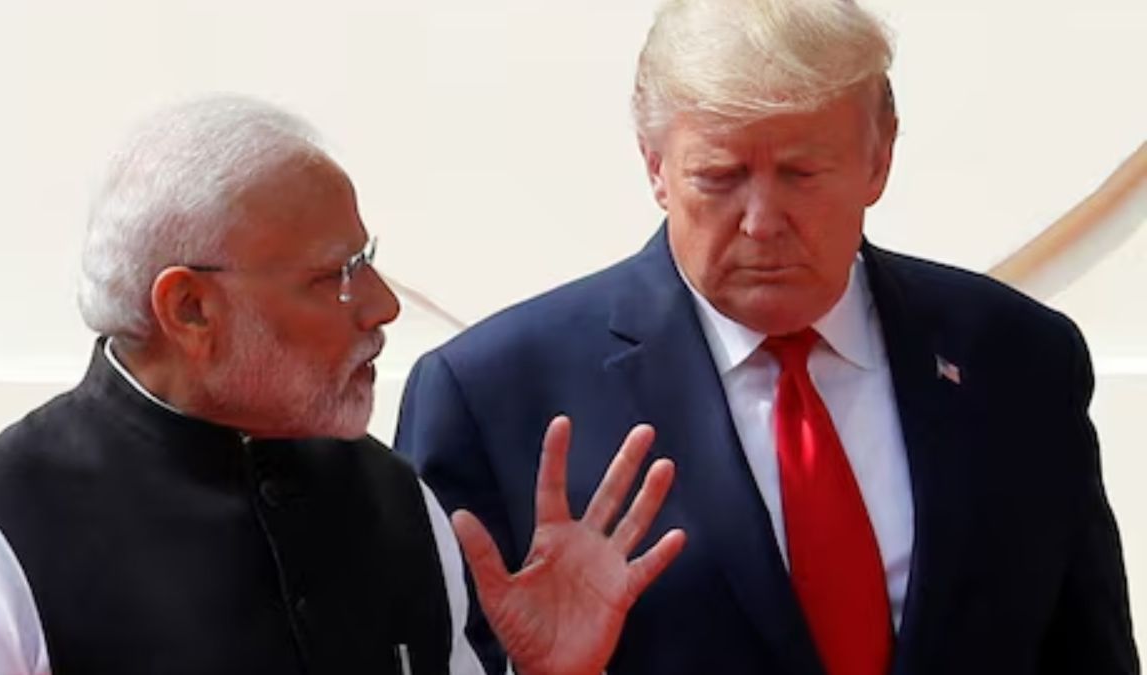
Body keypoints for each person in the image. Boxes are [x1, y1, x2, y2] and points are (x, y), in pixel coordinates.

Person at [393, 0, 1139, 673]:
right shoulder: (494, 396)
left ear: (878, 158)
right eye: (719, 177)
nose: (760, 220)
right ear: (656, 167)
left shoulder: (1018, 358)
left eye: (801, 172)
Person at [0, 95, 685, 675]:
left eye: (366, 261)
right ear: (190, 308)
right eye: (334, 276)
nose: (382, 305)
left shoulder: (395, 496)